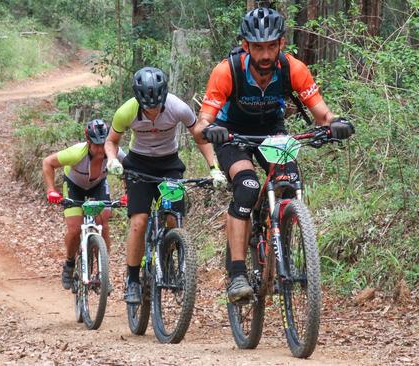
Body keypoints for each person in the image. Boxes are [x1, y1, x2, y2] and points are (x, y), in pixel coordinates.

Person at [198, 7, 355, 303]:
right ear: (246, 46)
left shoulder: (293, 68)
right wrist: (210, 129)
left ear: (281, 43)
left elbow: (321, 113)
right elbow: (205, 118)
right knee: (246, 188)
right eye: (258, 47)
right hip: (232, 133)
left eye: (272, 46)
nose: (266, 54)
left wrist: (335, 124)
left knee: (289, 178)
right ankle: (237, 274)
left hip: (272, 131)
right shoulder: (227, 70)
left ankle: (282, 231)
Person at [105, 66, 228, 304]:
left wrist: (214, 169)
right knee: (139, 221)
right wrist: (112, 160)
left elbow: (199, 135)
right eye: (146, 105)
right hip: (138, 165)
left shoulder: (178, 107)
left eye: (156, 104)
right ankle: (132, 280)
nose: (151, 109)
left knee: (173, 219)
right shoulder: (126, 111)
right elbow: (111, 141)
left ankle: (170, 259)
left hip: (169, 164)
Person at [42, 119, 125, 290]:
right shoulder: (76, 153)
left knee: (103, 222)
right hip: (74, 186)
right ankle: (70, 264)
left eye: (104, 144)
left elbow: (131, 168)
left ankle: (103, 271)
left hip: (98, 186)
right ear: (88, 142)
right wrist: (51, 190)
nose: (101, 150)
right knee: (74, 229)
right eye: (96, 145)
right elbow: (48, 162)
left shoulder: (114, 152)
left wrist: (128, 193)